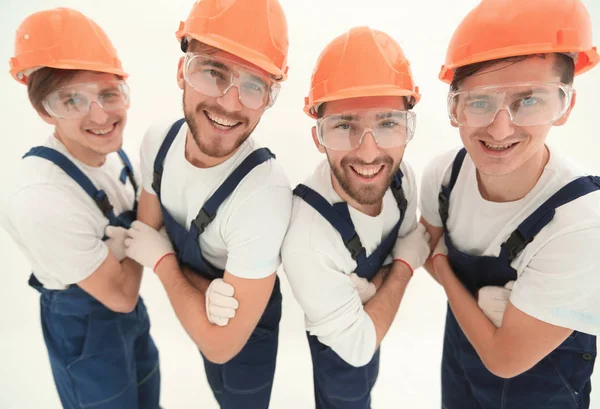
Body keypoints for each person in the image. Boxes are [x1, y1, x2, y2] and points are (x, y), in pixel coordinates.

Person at [419, 0, 600, 407]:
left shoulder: (581, 224)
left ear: (565, 106)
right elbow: (425, 247)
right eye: (480, 100)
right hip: (461, 355)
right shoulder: (445, 176)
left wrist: (446, 272)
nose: (500, 129)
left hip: (541, 385)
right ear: (455, 108)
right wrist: (483, 316)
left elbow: (504, 359)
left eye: (530, 100)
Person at [121, 0, 291, 407]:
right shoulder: (158, 142)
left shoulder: (263, 195)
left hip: (249, 336)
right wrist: (200, 291)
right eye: (213, 72)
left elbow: (222, 344)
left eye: (254, 85)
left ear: (270, 95)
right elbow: (148, 230)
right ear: (183, 70)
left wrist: (163, 263)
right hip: (205, 306)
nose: (231, 104)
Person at [3, 7, 160, 409]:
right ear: (42, 110)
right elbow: (121, 294)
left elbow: (128, 292)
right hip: (84, 330)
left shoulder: (113, 151)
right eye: (71, 100)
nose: (101, 115)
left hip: (128, 316)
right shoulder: (41, 196)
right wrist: (147, 226)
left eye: (109, 93)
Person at [280, 27, 431, 409]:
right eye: (345, 126)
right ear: (318, 136)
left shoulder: (402, 180)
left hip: (367, 323)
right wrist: (402, 267)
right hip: (339, 352)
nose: (368, 153)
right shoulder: (307, 239)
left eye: (387, 124)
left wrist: (372, 288)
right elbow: (359, 346)